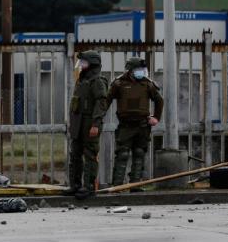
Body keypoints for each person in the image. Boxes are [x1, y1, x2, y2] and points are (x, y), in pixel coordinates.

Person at [108, 57, 164, 190]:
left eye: (143, 69)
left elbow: (159, 100)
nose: (142, 72)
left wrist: (156, 117)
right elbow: (107, 100)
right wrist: (97, 119)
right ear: (131, 70)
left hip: (142, 125)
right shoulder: (118, 84)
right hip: (125, 125)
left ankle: (135, 185)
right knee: (122, 154)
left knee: (139, 153)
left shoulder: (147, 84)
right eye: (138, 70)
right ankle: (117, 186)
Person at [67, 50, 109, 199]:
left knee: (90, 155)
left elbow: (101, 103)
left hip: (89, 122)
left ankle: (89, 186)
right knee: (75, 155)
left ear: (92, 64)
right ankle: (75, 185)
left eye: (84, 62)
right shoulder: (82, 80)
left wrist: (96, 124)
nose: (81, 65)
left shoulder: (97, 81)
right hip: (78, 123)